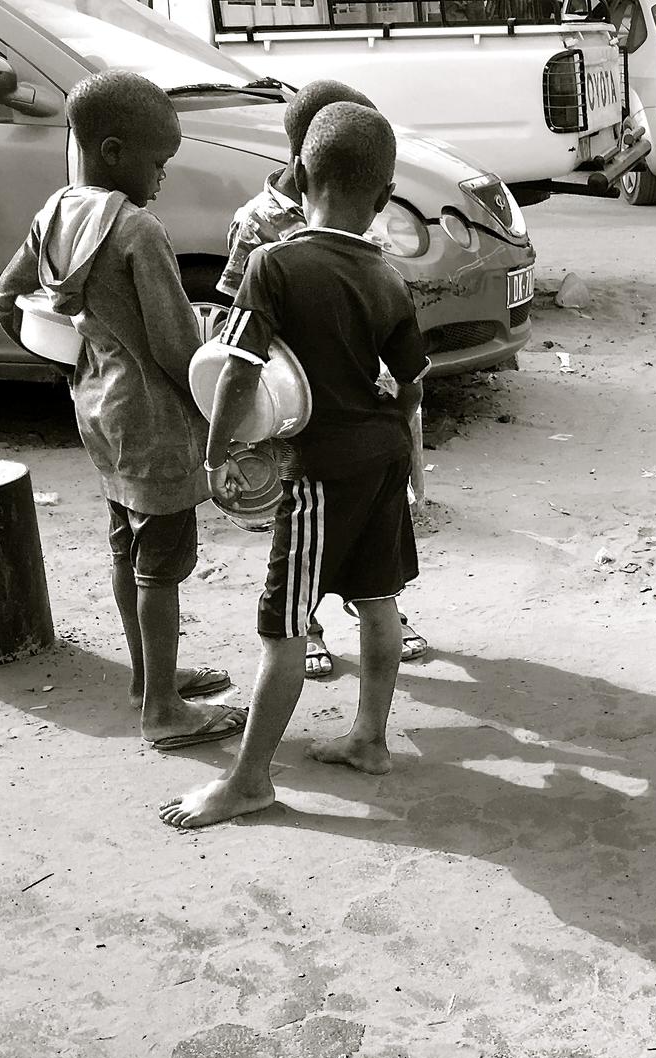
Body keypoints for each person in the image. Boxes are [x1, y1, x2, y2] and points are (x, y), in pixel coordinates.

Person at [160, 102, 428, 829]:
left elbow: (238, 368)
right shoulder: (388, 277)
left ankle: (249, 781)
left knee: (283, 627)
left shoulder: (273, 264)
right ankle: (368, 739)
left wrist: (217, 454)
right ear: (384, 195)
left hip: (320, 474)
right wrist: (403, 445)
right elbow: (411, 384)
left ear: (300, 174)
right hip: (381, 458)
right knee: (377, 600)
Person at [0, 71, 244, 750]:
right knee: (160, 565)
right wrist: (221, 417)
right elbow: (175, 348)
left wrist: (75, 360)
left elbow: (6, 301)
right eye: (158, 162)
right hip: (155, 424)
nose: (162, 177)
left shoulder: (56, 212)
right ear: (112, 150)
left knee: (125, 548)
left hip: (99, 410)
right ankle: (163, 710)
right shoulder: (137, 230)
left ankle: (146, 678)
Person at [217, 78, 430, 681]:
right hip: (291, 409)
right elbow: (237, 336)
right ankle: (309, 622)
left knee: (361, 541)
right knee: (299, 541)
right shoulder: (259, 227)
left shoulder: (356, 221)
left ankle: (371, 603)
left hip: (355, 400)